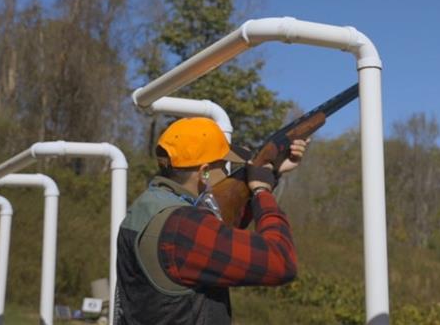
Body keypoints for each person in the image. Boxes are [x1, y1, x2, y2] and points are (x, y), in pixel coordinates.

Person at [115, 117, 306, 325]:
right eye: (224, 166)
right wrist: (262, 191)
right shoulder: (183, 227)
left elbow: (221, 234)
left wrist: (273, 171)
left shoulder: (148, 207)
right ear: (204, 172)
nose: (227, 173)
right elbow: (280, 261)